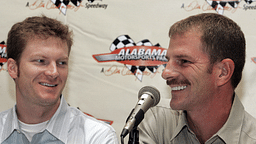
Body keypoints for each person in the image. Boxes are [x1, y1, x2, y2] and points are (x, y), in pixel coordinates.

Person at [138, 13, 256, 143]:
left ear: (223, 72)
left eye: (184, 61)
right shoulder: (155, 119)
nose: (166, 73)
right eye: (168, 61)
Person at [0, 15, 118, 144]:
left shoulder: (95, 137)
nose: (54, 72)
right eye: (41, 61)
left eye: (61, 63)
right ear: (12, 68)